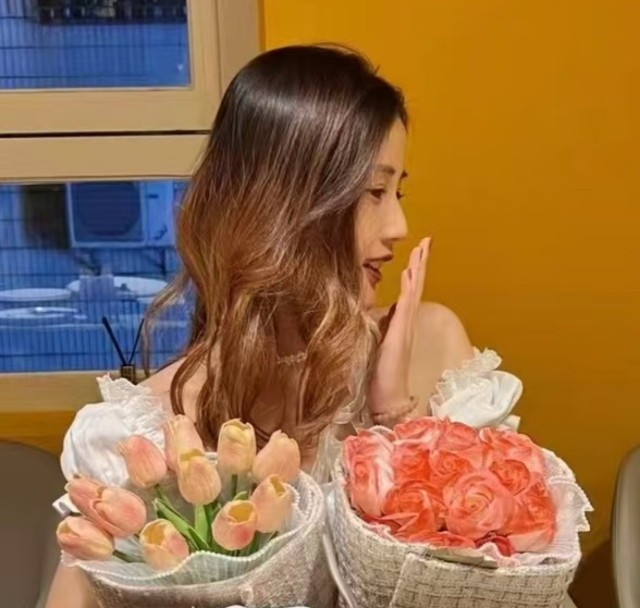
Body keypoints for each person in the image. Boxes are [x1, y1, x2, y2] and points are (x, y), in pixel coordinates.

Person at [45, 45, 479, 607]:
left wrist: (394, 418)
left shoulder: (431, 349)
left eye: (399, 191)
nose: (399, 224)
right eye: (374, 191)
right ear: (281, 206)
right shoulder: (132, 438)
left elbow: (491, 583)